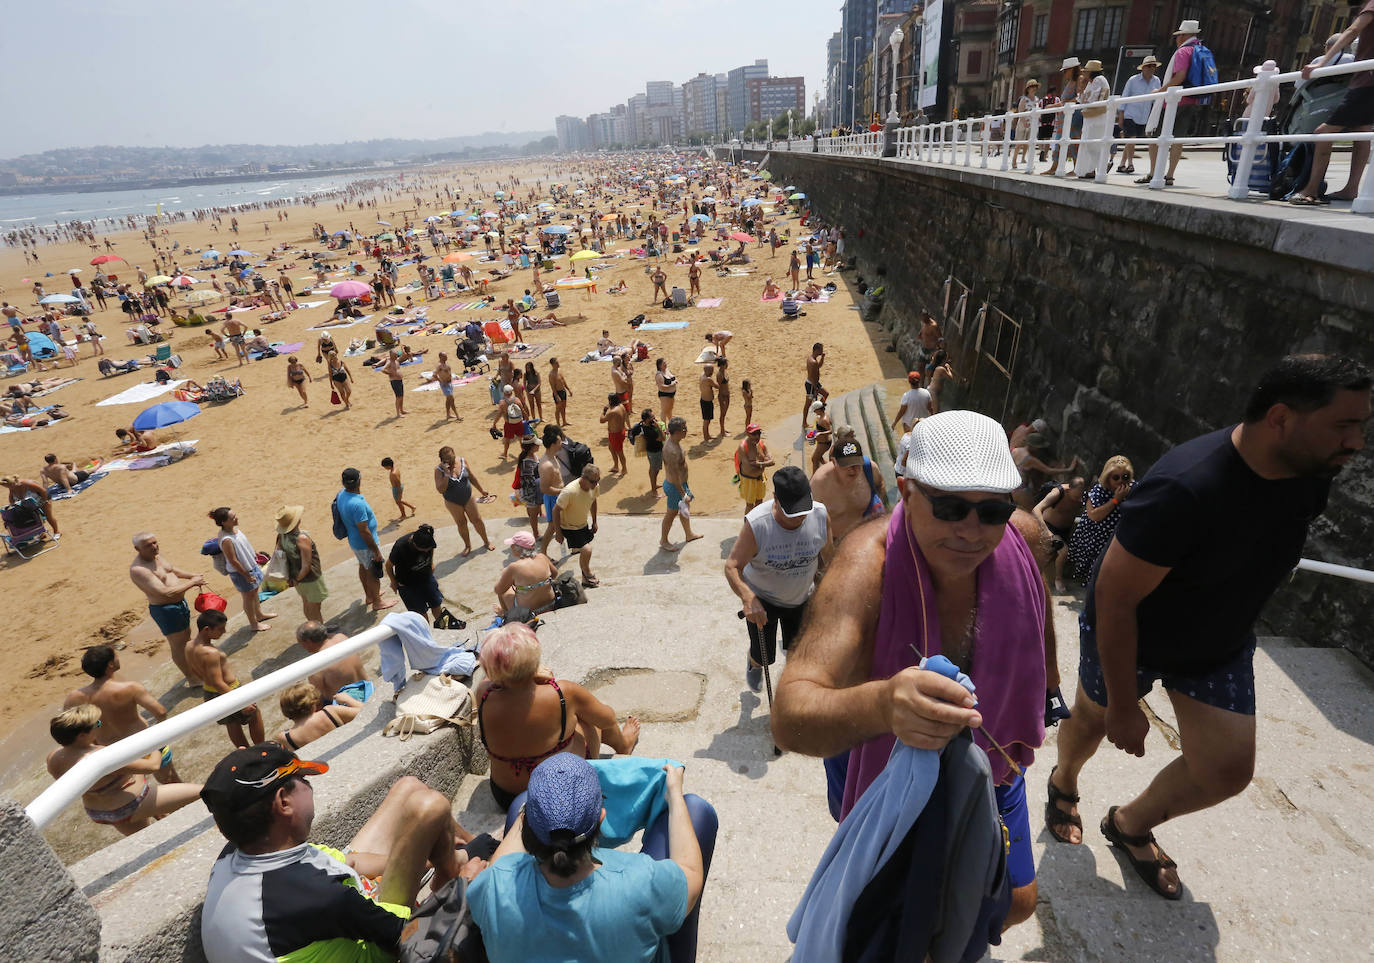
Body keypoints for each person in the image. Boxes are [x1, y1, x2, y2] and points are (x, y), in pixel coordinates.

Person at [1046, 356, 1369, 900]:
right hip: (1133, 639)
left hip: (1217, 645)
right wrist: (1126, 704)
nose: (1357, 442)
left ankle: (1128, 823)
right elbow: (1116, 598)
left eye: (1363, 426)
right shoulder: (1184, 488)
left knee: (1225, 769)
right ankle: (1063, 781)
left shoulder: (1311, 474)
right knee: (1094, 721)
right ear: (1282, 418)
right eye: (1345, 425)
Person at [771, 410, 1049, 927]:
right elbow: (789, 715)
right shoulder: (864, 567)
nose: (971, 530)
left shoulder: (1023, 538)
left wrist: (1050, 681)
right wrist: (882, 703)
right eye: (948, 506)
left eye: (992, 511)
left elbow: (1038, 603)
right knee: (891, 910)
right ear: (907, 489)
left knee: (1015, 900)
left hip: (992, 750)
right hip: (877, 751)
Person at [199, 744, 482, 963]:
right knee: (428, 806)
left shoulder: (238, 852)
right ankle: (455, 870)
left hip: (321, 929)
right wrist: (463, 888)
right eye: (304, 781)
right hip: (381, 947)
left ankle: (453, 859)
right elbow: (411, 938)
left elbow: (348, 863)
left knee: (409, 789)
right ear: (284, 802)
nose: (310, 787)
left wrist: (424, 858)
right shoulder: (321, 897)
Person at [470, 753, 716, 963]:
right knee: (696, 809)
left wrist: (533, 806)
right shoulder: (640, 883)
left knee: (518, 804)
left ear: (530, 829)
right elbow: (691, 874)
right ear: (602, 818)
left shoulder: (493, 886)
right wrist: (674, 795)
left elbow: (501, 864)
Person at [474, 623, 641, 808]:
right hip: (557, 792)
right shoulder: (563, 692)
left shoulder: (483, 693)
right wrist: (535, 675)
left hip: (506, 796)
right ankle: (623, 745)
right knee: (590, 718)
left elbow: (494, 677)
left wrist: (523, 675)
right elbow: (607, 719)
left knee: (571, 717)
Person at [725, 466, 833, 693]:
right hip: (763, 601)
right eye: (792, 512)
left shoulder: (821, 515)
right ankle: (754, 663)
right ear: (775, 499)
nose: (800, 518)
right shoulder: (757, 524)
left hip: (802, 598)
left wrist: (826, 584)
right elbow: (732, 566)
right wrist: (748, 598)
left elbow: (827, 557)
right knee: (764, 657)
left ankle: (791, 695)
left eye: (803, 511)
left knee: (797, 654)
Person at [46, 705, 201, 836]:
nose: (100, 726)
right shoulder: (100, 756)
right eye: (97, 725)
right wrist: (155, 743)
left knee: (149, 839)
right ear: (81, 736)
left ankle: (152, 811)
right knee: (204, 792)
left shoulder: (53, 757)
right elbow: (153, 766)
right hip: (127, 805)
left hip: (99, 811)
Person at [1290, 3, 1374, 205]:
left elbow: (1353, 30)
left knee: (1324, 131)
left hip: (1366, 81)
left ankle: (1311, 190)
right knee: (1361, 130)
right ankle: (1351, 189)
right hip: (1367, 79)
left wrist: (1322, 62)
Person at [63, 645, 181, 783]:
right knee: (170, 781)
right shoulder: (130, 688)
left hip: (112, 753)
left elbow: (70, 728)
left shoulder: (74, 697)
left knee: (132, 789)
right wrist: (157, 730)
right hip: (144, 744)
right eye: (116, 656)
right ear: (110, 664)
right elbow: (160, 712)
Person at [1136, 21, 1210, 187]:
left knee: (1154, 137)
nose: (1176, 39)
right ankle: (1169, 175)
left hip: (1173, 102)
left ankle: (1154, 172)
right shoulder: (1200, 50)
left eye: (1178, 36)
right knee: (1178, 139)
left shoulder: (1183, 51)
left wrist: (1161, 90)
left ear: (1183, 36)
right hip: (1191, 99)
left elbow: (1179, 76)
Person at [129, 532, 207, 685]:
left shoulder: (156, 556)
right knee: (177, 645)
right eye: (148, 545)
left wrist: (192, 575)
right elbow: (165, 592)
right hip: (166, 609)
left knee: (186, 636)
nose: (154, 547)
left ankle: (194, 668)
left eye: (155, 543)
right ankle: (191, 678)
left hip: (180, 603)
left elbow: (171, 570)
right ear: (137, 549)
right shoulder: (139, 570)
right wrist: (192, 583)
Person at [185, 610, 266, 749]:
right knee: (254, 713)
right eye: (220, 628)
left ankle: (246, 756)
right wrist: (241, 702)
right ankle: (263, 749)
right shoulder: (211, 653)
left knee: (232, 723)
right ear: (206, 629)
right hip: (228, 689)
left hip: (209, 692)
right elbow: (218, 682)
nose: (224, 631)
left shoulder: (188, 646)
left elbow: (193, 671)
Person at [335, 467, 396, 611]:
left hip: (354, 541)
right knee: (373, 573)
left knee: (363, 566)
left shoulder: (341, 495)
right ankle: (377, 602)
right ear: (359, 481)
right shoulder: (357, 504)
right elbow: (364, 530)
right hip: (365, 544)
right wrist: (375, 551)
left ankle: (369, 595)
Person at [1065, 456, 1135, 580]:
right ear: (1108, 477)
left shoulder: (1133, 488)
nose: (1121, 481)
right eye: (1116, 477)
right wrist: (1116, 500)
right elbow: (1094, 515)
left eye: (1125, 477)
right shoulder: (1099, 491)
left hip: (1117, 536)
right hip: (1096, 538)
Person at [209, 507, 275, 632]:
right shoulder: (226, 540)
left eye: (235, 515)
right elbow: (233, 561)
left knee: (254, 592)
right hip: (241, 573)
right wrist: (246, 575)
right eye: (232, 518)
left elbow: (243, 545)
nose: (236, 518)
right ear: (223, 522)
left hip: (251, 567)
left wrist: (255, 554)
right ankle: (254, 624)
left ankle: (259, 615)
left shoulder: (235, 530)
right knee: (248, 597)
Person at [809, 434, 886, 542]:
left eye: (857, 464)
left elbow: (880, 484)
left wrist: (878, 507)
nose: (853, 469)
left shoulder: (869, 469)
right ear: (834, 462)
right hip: (835, 541)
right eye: (846, 465)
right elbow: (810, 517)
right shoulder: (819, 483)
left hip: (865, 535)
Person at [436, 445, 495, 556]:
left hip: (468, 497)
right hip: (452, 501)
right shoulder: (439, 470)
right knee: (461, 523)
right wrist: (447, 474)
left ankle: (486, 541)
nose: (450, 461)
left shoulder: (462, 461)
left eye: (451, 458)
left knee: (477, 520)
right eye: (446, 459)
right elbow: (440, 489)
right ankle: (467, 545)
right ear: (442, 460)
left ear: (454, 454)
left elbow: (471, 477)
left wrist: (481, 490)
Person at [273, 504, 328, 623]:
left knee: (307, 604)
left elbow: (281, 557)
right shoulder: (302, 538)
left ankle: (314, 628)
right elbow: (306, 566)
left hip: (295, 576)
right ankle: (319, 632)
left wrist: (293, 579)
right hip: (309, 578)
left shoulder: (281, 536)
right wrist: (298, 579)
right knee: (315, 608)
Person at [1033, 475, 1087, 592]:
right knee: (1063, 551)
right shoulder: (1057, 493)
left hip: (1066, 530)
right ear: (1068, 489)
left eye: (1081, 496)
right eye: (1076, 496)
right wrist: (1046, 531)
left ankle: (1044, 577)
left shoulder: (1083, 496)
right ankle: (1058, 579)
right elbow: (1036, 509)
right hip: (1049, 527)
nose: (1079, 500)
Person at [551, 464, 601, 587]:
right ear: (583, 478)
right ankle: (587, 574)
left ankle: (584, 576)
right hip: (569, 527)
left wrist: (594, 521)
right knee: (587, 550)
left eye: (598, 480)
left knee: (583, 550)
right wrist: (558, 532)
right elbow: (555, 510)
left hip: (582, 525)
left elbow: (593, 500)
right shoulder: (569, 491)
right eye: (593, 481)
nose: (596, 484)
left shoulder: (594, 487)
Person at [275, 681, 362, 751]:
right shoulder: (330, 712)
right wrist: (348, 699)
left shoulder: (285, 738)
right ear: (315, 704)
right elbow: (365, 711)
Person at [386, 523, 446, 624]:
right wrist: (393, 581)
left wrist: (431, 563)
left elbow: (430, 549)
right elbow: (388, 565)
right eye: (424, 549)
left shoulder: (426, 537)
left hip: (426, 578)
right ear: (414, 544)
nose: (427, 551)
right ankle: (426, 634)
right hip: (408, 585)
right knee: (420, 615)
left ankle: (442, 625)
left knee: (436, 604)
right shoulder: (401, 546)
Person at [659, 416, 703, 552]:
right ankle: (664, 540)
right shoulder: (672, 450)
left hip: (681, 485)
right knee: (671, 514)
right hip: (675, 488)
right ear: (677, 431)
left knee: (685, 510)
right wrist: (683, 494)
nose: (686, 430)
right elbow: (674, 475)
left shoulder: (673, 440)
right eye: (684, 428)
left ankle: (688, 534)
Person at [295, 621, 367, 701]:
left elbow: (316, 698)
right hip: (368, 690)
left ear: (308, 642)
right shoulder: (342, 637)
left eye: (301, 644)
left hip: (350, 704)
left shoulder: (316, 664)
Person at [494, 531, 562, 614]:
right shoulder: (542, 557)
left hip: (528, 612)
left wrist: (505, 575)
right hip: (551, 603)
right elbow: (554, 574)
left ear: (516, 548)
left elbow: (498, 590)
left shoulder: (514, 567)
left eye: (512, 545)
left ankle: (505, 614)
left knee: (505, 591)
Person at [1117, 57, 1162, 175]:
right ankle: (1130, 164)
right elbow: (1124, 97)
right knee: (1131, 139)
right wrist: (1121, 115)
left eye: (1154, 66)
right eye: (1149, 66)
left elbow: (1156, 100)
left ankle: (1122, 164)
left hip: (1145, 116)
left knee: (1131, 140)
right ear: (1143, 68)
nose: (1151, 68)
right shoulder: (1133, 80)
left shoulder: (1156, 81)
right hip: (1130, 114)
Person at [1, 473, 59, 539]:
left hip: (43, 499)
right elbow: (11, 499)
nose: (8, 488)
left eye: (8, 486)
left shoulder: (28, 484)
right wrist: (13, 505)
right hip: (31, 504)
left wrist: (45, 501)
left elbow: (43, 491)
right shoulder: (12, 487)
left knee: (48, 516)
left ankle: (57, 532)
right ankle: (42, 534)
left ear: (13, 483)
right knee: (34, 518)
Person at [628, 408, 666, 497]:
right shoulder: (650, 430)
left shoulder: (645, 426)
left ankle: (654, 485)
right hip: (655, 451)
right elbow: (662, 438)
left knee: (653, 469)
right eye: (652, 417)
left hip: (651, 450)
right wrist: (659, 428)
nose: (654, 418)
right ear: (647, 419)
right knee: (654, 470)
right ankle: (654, 491)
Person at [736, 423, 774, 513]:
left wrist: (758, 463)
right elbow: (749, 466)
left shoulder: (761, 443)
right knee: (749, 504)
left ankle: (758, 523)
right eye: (754, 434)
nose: (757, 436)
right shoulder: (742, 447)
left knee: (759, 502)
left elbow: (770, 458)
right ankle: (747, 524)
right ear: (748, 434)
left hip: (760, 478)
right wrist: (765, 463)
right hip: (748, 480)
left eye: (758, 433)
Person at [492, 384, 530, 461]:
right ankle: (524, 453)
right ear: (511, 392)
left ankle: (505, 454)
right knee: (521, 438)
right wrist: (527, 420)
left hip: (509, 424)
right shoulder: (517, 400)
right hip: (519, 422)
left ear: (504, 393)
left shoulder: (502, 403)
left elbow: (499, 414)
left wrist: (494, 423)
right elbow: (523, 411)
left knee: (507, 439)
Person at [600, 392, 629, 475]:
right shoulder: (621, 406)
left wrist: (604, 410)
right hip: (619, 432)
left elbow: (601, 420)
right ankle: (616, 466)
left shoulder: (612, 412)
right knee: (611, 448)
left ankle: (624, 468)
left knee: (620, 452)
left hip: (615, 434)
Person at [802, 343, 827, 431]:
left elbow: (818, 366)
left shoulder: (812, 358)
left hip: (814, 384)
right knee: (807, 405)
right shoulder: (812, 362)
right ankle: (804, 423)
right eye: (821, 350)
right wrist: (815, 388)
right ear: (817, 350)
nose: (822, 351)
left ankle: (819, 410)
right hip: (812, 385)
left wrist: (822, 358)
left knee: (825, 394)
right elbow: (813, 377)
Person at [433, 351, 461, 421]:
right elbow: (434, 375)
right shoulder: (439, 366)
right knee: (451, 399)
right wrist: (441, 381)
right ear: (441, 357)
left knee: (448, 400)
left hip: (449, 383)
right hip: (445, 384)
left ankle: (448, 414)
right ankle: (457, 415)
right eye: (445, 356)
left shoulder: (446, 363)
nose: (446, 357)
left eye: (446, 356)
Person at [548, 356, 570, 427]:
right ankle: (558, 424)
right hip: (557, 392)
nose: (558, 364)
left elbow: (563, 380)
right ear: (553, 364)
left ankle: (564, 421)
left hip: (563, 391)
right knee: (558, 409)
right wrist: (557, 396)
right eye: (556, 363)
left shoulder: (559, 370)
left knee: (563, 407)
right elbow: (553, 387)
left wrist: (568, 389)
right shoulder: (551, 374)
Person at [697, 363, 717, 442]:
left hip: (704, 400)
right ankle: (706, 439)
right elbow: (717, 386)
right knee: (706, 421)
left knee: (708, 420)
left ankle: (708, 435)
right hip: (706, 402)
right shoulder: (708, 379)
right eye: (711, 370)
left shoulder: (703, 375)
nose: (713, 372)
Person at [655, 357, 678, 422]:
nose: (665, 364)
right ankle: (664, 428)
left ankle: (670, 423)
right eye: (664, 363)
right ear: (659, 365)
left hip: (671, 394)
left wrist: (675, 380)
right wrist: (671, 385)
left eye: (665, 363)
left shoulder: (667, 370)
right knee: (664, 411)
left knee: (670, 409)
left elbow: (672, 377)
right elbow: (661, 386)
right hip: (664, 395)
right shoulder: (659, 375)